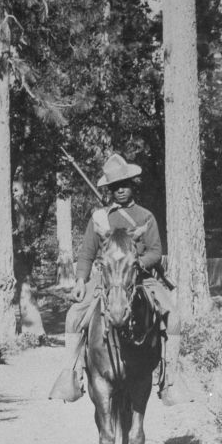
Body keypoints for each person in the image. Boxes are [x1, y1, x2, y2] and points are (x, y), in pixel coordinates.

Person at [48, 154, 195, 405]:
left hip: (142, 278)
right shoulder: (100, 218)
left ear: (132, 184)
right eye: (115, 187)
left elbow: (155, 252)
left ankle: (170, 377)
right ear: (109, 190)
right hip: (106, 278)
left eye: (124, 184)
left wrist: (138, 263)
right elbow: (86, 254)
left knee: (173, 317)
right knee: (74, 316)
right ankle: (71, 374)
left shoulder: (146, 216)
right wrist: (81, 280)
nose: (120, 190)